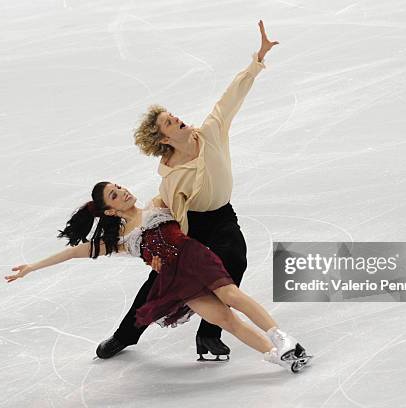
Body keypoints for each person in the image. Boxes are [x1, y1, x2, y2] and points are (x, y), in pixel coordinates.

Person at [98, 20, 280, 362]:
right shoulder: (170, 176)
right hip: (188, 226)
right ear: (164, 139)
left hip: (222, 218)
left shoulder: (211, 132)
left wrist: (257, 59)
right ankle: (126, 335)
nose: (177, 118)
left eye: (172, 116)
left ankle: (209, 334)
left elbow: (231, 96)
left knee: (234, 262)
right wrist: (162, 249)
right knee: (158, 283)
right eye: (169, 122)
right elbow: (165, 207)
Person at [5, 182, 312, 372]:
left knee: (231, 296)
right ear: (110, 211)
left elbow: (185, 184)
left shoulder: (157, 203)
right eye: (115, 194)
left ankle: (281, 337)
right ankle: (277, 356)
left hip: (197, 260)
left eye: (120, 187)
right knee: (224, 319)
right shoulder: (121, 241)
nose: (123, 191)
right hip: (177, 282)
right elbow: (74, 252)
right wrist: (31, 267)